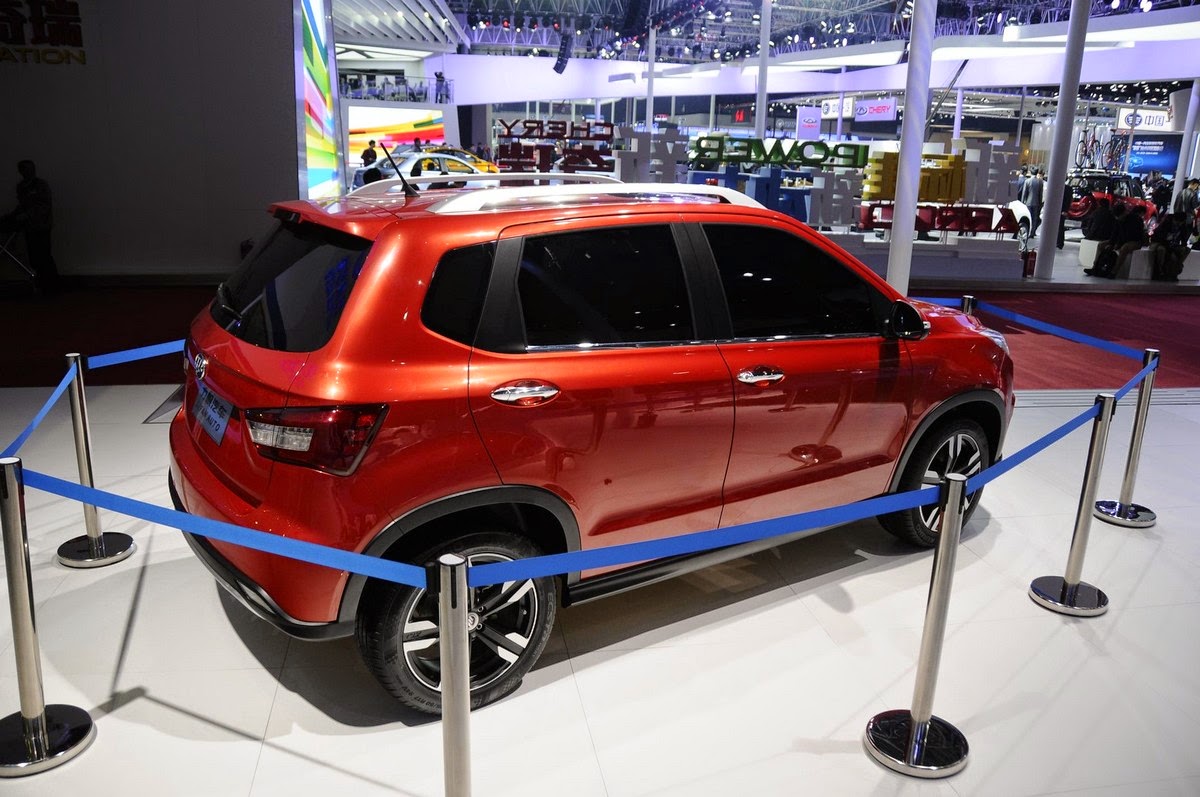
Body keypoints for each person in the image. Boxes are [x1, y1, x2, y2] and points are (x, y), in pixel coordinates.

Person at [1, 160, 58, 292]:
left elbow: (44, 206)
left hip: (42, 226)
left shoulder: (41, 185)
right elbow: (22, 205)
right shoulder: (22, 187)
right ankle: (42, 283)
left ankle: (51, 285)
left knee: (44, 255)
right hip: (29, 227)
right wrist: (12, 216)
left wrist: (27, 215)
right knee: (34, 257)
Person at [1086, 202, 1147, 278]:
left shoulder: (1136, 219)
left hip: (1135, 241)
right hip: (1121, 240)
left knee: (1124, 248)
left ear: (1124, 212)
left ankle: (1114, 271)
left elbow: (1133, 236)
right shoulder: (1119, 220)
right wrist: (1111, 243)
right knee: (1101, 245)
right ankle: (1095, 267)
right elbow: (1114, 233)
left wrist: (1117, 243)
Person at [1147, 211, 1190, 281]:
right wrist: (1171, 251)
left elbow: (1184, 240)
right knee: (1162, 250)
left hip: (1172, 244)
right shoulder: (1166, 223)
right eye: (1177, 222)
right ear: (1174, 219)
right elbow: (1161, 238)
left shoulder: (1182, 226)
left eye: (1181, 222)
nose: (1179, 224)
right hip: (1160, 242)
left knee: (1186, 250)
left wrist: (1182, 246)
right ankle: (1160, 271)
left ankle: (1177, 267)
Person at [1021, 167, 1045, 237]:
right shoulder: (1040, 182)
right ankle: (1032, 232)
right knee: (1034, 218)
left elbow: (1024, 193)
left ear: (1030, 172)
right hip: (1036, 203)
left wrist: (1022, 202)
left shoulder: (1027, 181)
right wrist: (1040, 203)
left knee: (1028, 217)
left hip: (1028, 202)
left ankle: (1027, 231)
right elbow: (1040, 194)